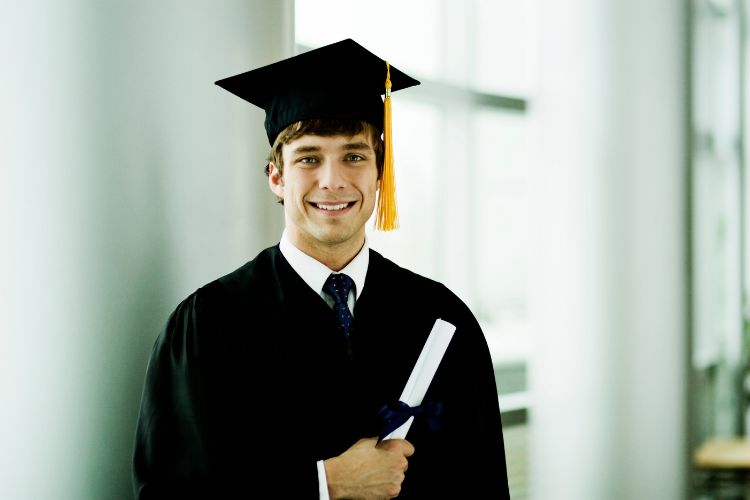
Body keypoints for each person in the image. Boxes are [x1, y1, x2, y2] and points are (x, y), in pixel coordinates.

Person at [132, 38, 510, 499]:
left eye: (354, 156)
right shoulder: (208, 325)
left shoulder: (442, 319)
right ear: (276, 176)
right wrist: (325, 483)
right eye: (309, 158)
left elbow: (482, 484)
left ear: (379, 173)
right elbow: (173, 492)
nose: (332, 180)